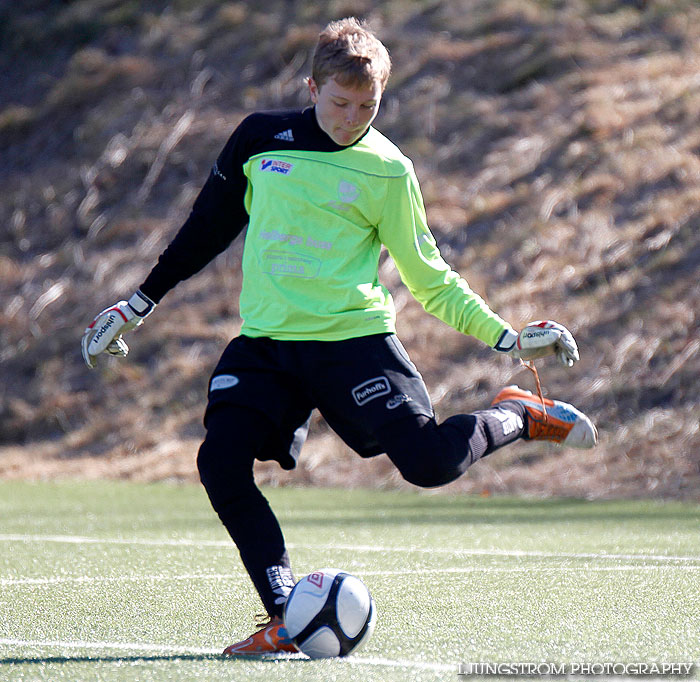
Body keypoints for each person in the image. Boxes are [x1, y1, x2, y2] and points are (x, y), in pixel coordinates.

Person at [82, 17, 597, 655]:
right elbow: (207, 227)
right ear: (312, 86)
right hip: (268, 345)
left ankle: (517, 415)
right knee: (220, 462)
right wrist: (137, 304)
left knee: (431, 464)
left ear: (382, 97)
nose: (352, 117)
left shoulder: (389, 171)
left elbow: (429, 278)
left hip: (353, 342)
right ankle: (284, 618)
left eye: (368, 105)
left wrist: (509, 340)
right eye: (339, 102)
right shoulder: (259, 137)